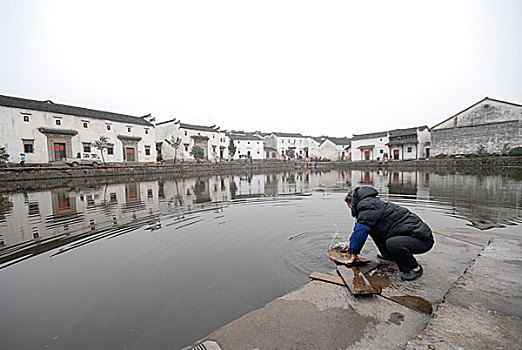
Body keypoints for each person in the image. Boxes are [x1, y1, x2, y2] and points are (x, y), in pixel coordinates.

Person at [342, 186, 434, 281]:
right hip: (409, 234)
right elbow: (361, 229)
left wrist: (353, 254)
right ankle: (388, 255)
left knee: (393, 243)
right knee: (373, 230)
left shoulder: (367, 207)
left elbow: (360, 231)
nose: (350, 208)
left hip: (422, 239)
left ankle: (415, 269)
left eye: (349, 206)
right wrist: (352, 244)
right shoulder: (370, 204)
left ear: (353, 202)